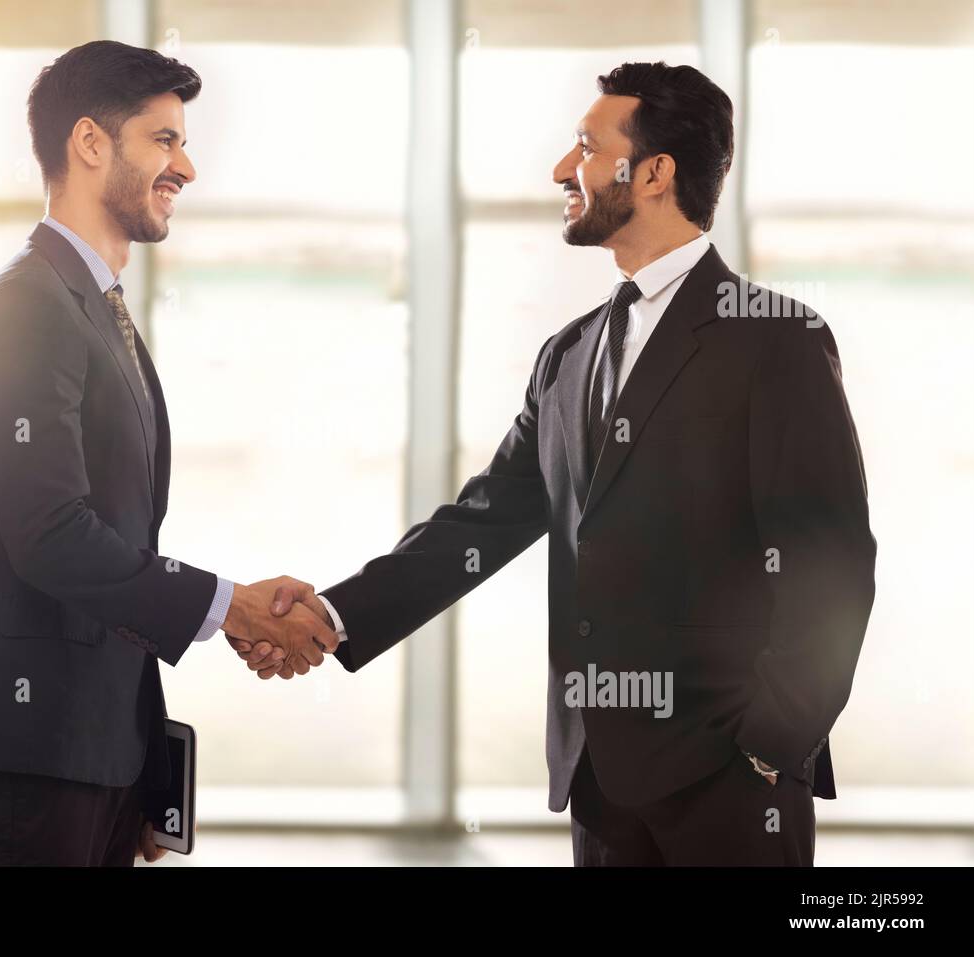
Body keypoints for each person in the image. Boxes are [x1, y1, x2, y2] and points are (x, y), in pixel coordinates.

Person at [235, 61, 876, 866]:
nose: (560, 169)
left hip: (733, 788)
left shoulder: (777, 339)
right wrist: (333, 614)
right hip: (599, 783)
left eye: (584, 146)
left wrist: (770, 746)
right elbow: (483, 521)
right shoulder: (568, 354)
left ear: (653, 172)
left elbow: (834, 563)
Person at [0, 40, 336, 867]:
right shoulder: (25, 308)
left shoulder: (94, 309)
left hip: (90, 748)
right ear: (89, 144)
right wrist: (231, 607)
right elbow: (53, 534)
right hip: (28, 748)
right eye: (165, 139)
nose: (186, 166)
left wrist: (139, 762)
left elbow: (118, 555)